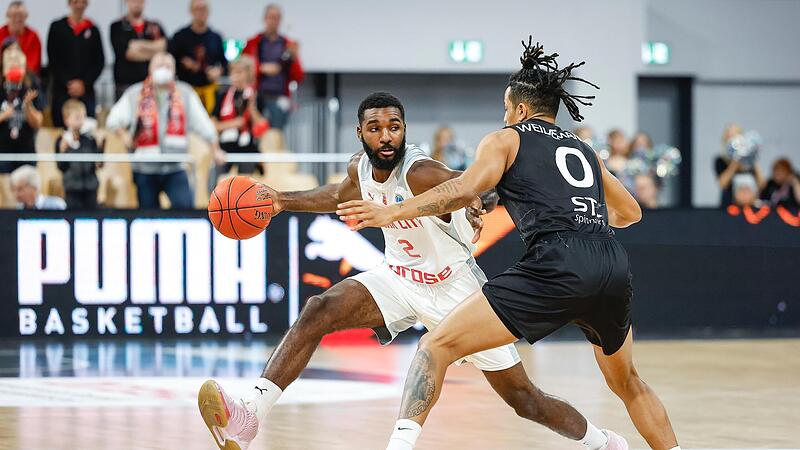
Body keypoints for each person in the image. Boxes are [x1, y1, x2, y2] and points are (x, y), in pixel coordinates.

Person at [198, 92, 619, 450]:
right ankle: (249, 416)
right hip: (398, 278)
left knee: (525, 400)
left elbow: (470, 184)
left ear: (405, 130)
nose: (386, 136)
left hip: (455, 290)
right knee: (318, 309)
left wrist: (477, 201)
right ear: (360, 133)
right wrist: (282, 200)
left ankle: (601, 443)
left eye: (395, 127)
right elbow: (339, 196)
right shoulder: (359, 169)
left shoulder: (418, 172)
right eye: (376, 128)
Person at [336, 39, 680, 450]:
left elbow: (462, 188)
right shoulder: (584, 149)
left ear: (519, 109)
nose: (504, 114)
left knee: (435, 345)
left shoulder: (505, 139)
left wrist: (391, 212)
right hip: (609, 260)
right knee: (627, 381)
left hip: (558, 261)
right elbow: (631, 214)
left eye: (505, 107)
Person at [106, 52, 219, 209]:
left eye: (168, 66)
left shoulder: (185, 93)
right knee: (148, 216)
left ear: (174, 71)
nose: (163, 69)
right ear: (150, 69)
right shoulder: (134, 93)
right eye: (159, 66)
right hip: (144, 167)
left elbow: (204, 126)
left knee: (185, 209)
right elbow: (113, 120)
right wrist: (123, 135)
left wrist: (216, 149)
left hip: (176, 166)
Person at [243, 4, 304, 130]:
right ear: (264, 19)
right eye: (271, 17)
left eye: (276, 18)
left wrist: (293, 58)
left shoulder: (288, 45)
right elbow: (243, 68)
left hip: (279, 97)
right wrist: (261, 68)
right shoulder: (253, 43)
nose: (273, 21)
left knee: (275, 132)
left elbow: (298, 76)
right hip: (256, 97)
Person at [46, 0, 104, 128]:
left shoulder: (93, 30)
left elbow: (99, 62)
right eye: (75, 1)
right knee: (61, 129)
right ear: (69, 3)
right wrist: (68, 83)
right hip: (62, 91)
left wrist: (84, 83)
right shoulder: (57, 27)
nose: (79, 5)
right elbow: (53, 60)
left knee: (88, 129)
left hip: (86, 92)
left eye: (82, 2)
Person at [211, 55, 268, 176]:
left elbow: (261, 127)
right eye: (233, 72)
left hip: (248, 148)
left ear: (248, 74)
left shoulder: (257, 96)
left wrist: (252, 108)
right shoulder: (222, 94)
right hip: (225, 148)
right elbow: (212, 125)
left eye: (239, 72)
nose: (234, 76)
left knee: (245, 186)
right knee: (217, 183)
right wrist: (233, 123)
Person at [169, 0, 226, 113]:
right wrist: (183, 64)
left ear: (208, 12)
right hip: (185, 90)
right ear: (191, 11)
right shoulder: (180, 36)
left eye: (204, 9)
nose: (201, 13)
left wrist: (218, 71)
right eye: (197, 9)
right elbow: (170, 59)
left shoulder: (215, 37)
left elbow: (224, 63)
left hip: (209, 91)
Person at [0, 40, 43, 176]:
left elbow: (38, 123)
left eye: (17, 53)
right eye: (9, 55)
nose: (14, 58)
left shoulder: (32, 82)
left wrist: (28, 106)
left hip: (26, 151)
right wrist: (4, 115)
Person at [110, 0, 167, 99]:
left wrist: (139, 45)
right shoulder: (117, 27)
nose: (136, 3)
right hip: (125, 86)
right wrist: (154, 50)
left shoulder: (155, 26)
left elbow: (163, 48)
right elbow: (129, 54)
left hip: (151, 85)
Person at [55, 99, 101, 209]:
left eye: (83, 117)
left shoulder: (90, 139)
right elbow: (60, 166)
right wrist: (63, 150)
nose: (81, 121)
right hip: (72, 188)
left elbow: (98, 164)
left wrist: (100, 145)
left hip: (91, 187)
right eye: (77, 117)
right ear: (66, 120)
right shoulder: (62, 140)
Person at [715, 123, 765, 207]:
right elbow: (722, 184)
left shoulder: (750, 158)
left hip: (750, 207)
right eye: (729, 137)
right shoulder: (720, 160)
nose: (732, 141)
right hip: (729, 206)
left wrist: (751, 157)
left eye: (735, 136)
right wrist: (735, 162)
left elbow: (762, 184)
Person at [0, 1, 40, 74]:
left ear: (26, 17)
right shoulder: (1, 33)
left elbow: (34, 64)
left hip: (26, 77)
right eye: (14, 15)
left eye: (21, 16)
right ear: (7, 15)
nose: (18, 19)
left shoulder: (33, 36)